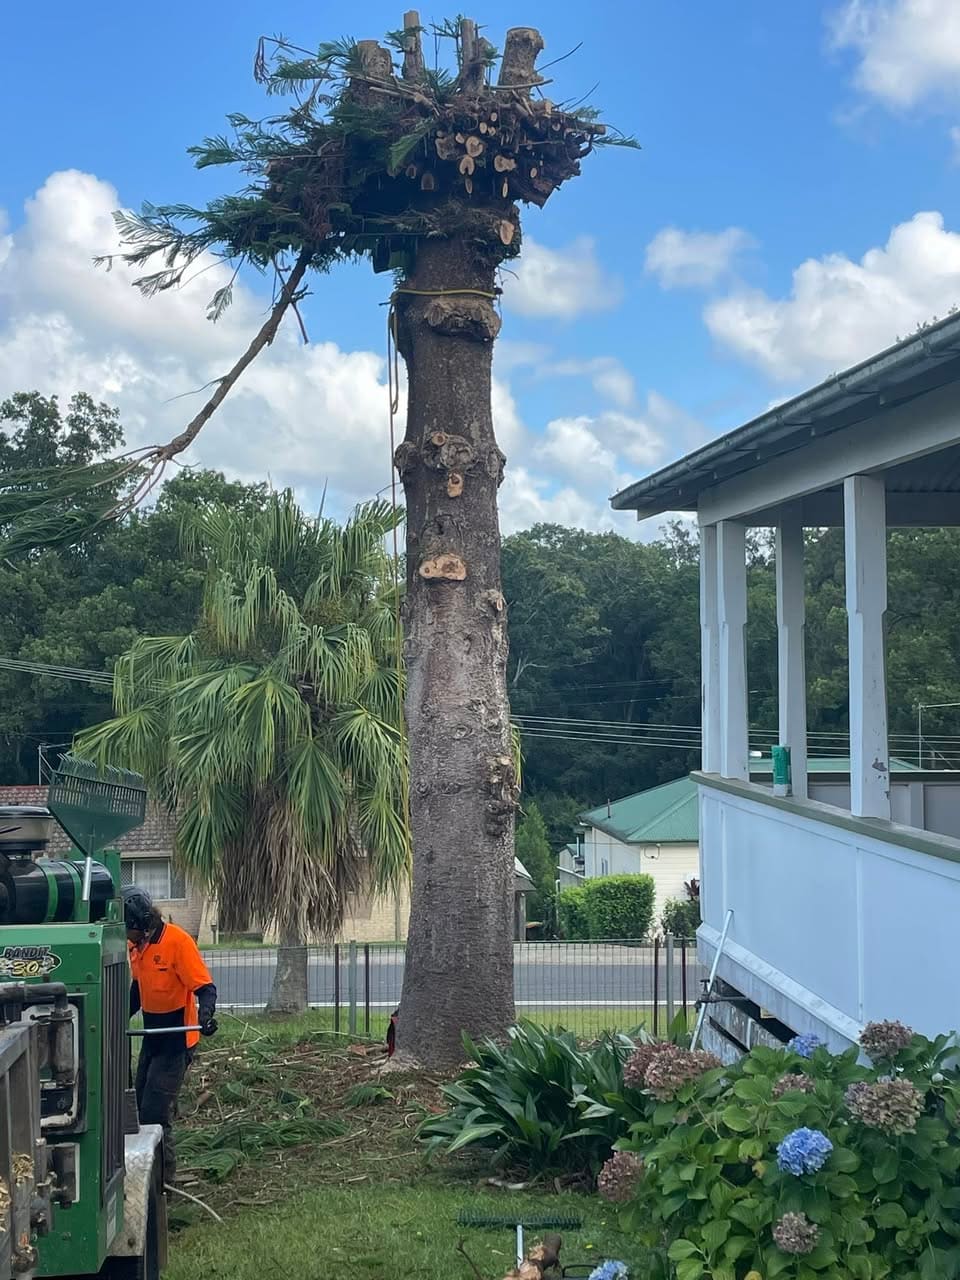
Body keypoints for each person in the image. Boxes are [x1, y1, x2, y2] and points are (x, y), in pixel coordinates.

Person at [123, 885, 218, 1182]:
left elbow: (205, 988)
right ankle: (144, 1173)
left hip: (177, 1040)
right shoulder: (137, 947)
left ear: (142, 923)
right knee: (137, 1109)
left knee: (155, 1113)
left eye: (129, 930)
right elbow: (138, 991)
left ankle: (163, 1181)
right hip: (153, 1036)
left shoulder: (177, 942)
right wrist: (115, 1018)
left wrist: (206, 1016)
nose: (128, 937)